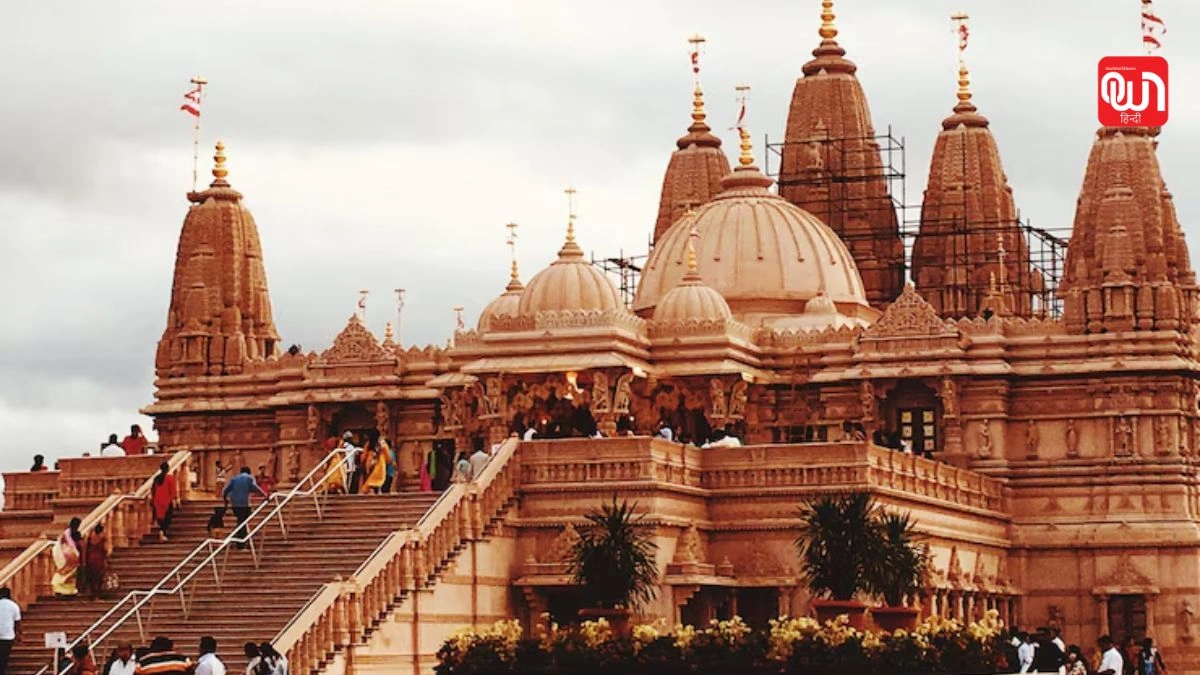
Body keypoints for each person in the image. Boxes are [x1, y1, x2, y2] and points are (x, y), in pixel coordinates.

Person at [223, 467, 268, 550]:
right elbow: (255, 488)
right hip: (244, 503)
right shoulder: (249, 478)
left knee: (241, 520)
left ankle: (239, 538)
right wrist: (265, 495)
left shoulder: (234, 479)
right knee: (243, 521)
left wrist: (225, 500)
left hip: (235, 504)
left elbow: (226, 490)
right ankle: (239, 541)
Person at [52, 517, 84, 596]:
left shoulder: (65, 533)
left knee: (64, 574)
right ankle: (69, 590)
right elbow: (81, 545)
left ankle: (60, 589)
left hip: (64, 557)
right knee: (70, 575)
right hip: (72, 557)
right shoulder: (76, 534)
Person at [149, 462, 178, 541]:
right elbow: (172, 490)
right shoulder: (169, 478)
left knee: (160, 517)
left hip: (157, 501)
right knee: (167, 518)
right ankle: (163, 532)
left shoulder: (156, 478)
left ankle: (162, 531)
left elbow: (153, 490)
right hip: (167, 501)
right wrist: (175, 499)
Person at [82, 525, 109, 598]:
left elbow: (85, 550)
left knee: (92, 577)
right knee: (98, 578)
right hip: (99, 560)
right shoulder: (102, 540)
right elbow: (106, 550)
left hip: (90, 560)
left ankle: (92, 592)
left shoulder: (89, 539)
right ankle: (97, 593)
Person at [0, 587, 21, 673]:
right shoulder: (13, 605)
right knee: (3, 657)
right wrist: (19, 634)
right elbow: (17, 622)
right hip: (7, 636)